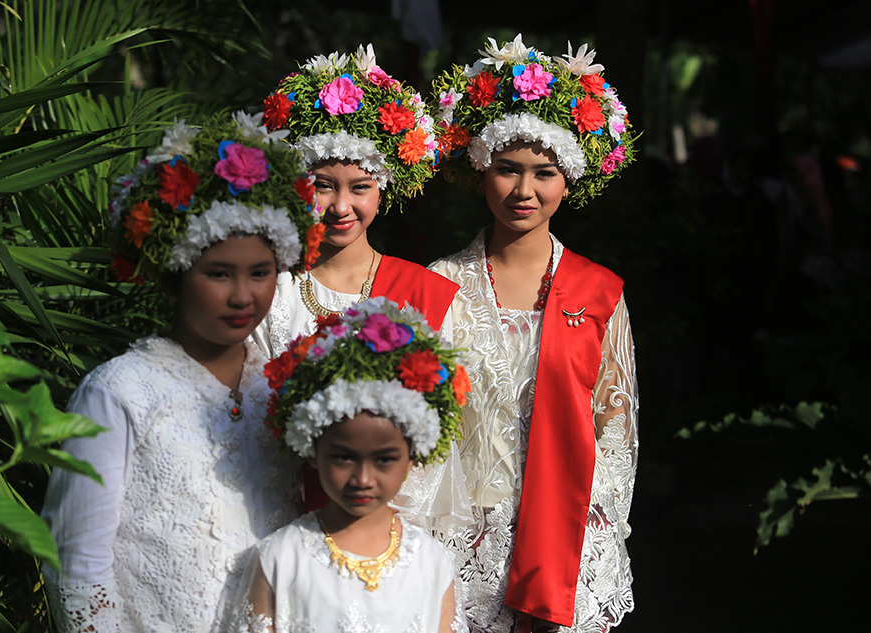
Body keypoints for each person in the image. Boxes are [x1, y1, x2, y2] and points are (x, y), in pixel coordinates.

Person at [41, 111, 322, 633]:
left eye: (260, 273)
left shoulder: (282, 389)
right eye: (218, 273)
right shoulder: (118, 391)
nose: (243, 296)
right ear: (173, 276)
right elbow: (76, 565)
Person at [425, 36, 639, 633]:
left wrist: (591, 536)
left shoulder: (599, 292)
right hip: (457, 538)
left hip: (566, 536)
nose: (524, 191)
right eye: (508, 170)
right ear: (479, 171)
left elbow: (615, 428)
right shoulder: (439, 285)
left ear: (569, 179)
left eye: (544, 173)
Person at [254, 43, 465, 517]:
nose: (341, 207)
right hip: (281, 517)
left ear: (384, 186)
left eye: (360, 187)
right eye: (323, 185)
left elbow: (437, 445)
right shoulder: (273, 289)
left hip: (391, 530)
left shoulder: (426, 295)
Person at [217, 297, 471, 633]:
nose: (363, 478)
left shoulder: (433, 563)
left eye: (384, 460)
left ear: (413, 455)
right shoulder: (280, 558)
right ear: (311, 449)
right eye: (343, 457)